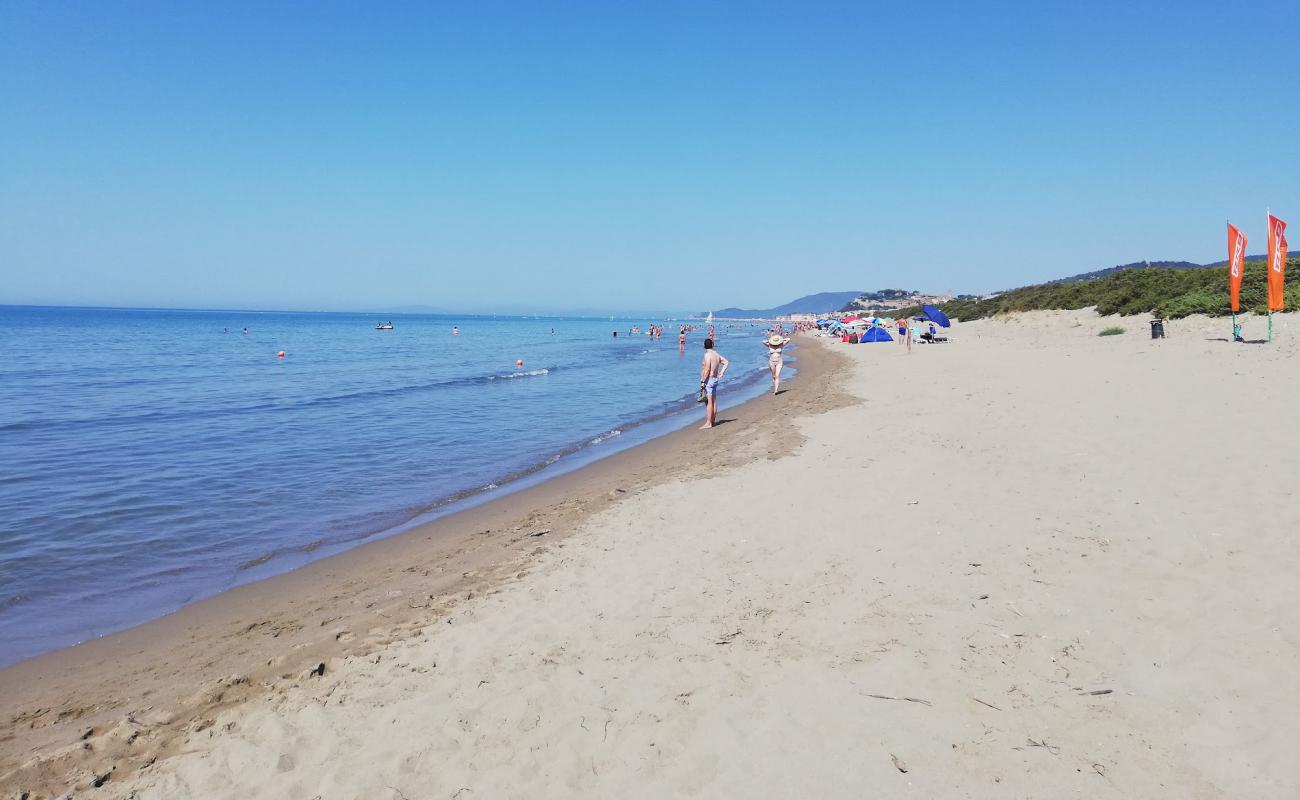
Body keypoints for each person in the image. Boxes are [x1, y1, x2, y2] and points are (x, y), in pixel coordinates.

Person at [698, 338, 729, 429]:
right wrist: (721, 372)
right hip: (715, 379)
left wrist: (703, 381)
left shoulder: (707, 355)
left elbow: (707, 369)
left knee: (709, 402)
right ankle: (712, 420)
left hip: (709, 380)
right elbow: (726, 362)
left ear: (704, 346)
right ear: (712, 345)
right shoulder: (716, 354)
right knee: (714, 401)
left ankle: (709, 423)